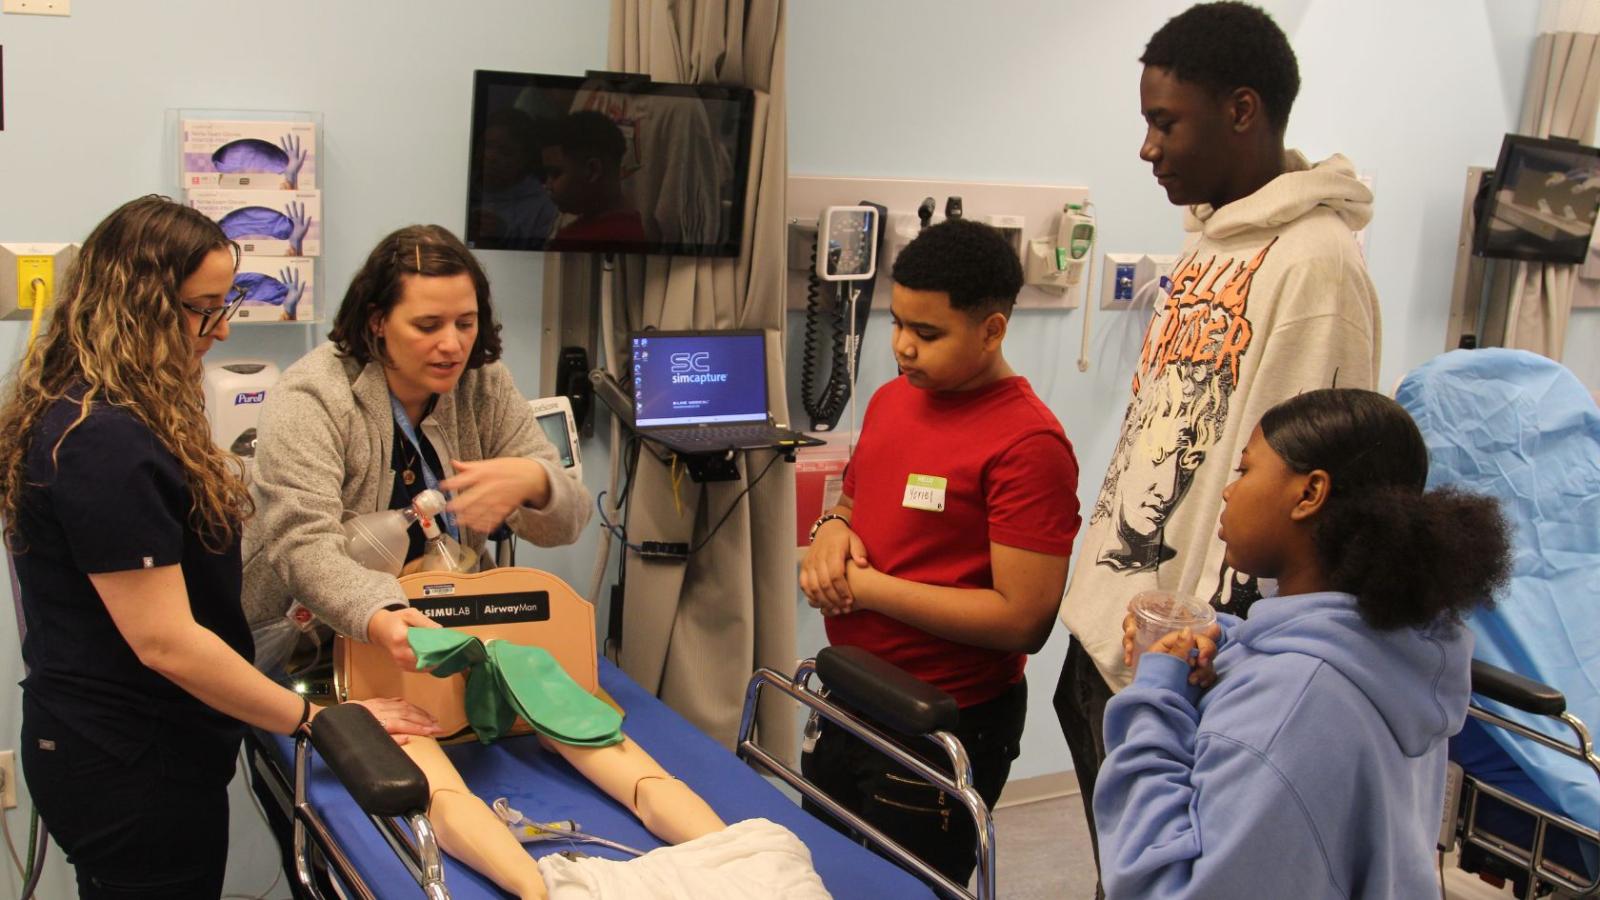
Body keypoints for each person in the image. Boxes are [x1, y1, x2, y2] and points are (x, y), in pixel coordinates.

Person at [0, 196, 435, 900]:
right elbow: (166, 643)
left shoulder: (107, 411)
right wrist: (316, 721)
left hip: (133, 747)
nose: (223, 328)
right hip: (127, 764)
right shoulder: (102, 441)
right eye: (205, 308)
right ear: (137, 305)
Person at [1053, 4, 1382, 891]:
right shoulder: (1209, 241)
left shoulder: (1316, 264)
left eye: (1166, 122)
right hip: (1110, 625)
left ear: (1243, 110)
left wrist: (1214, 653)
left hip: (1182, 660)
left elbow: (1298, 491)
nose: (1147, 148)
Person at [1093, 389, 1511, 899]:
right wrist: (1228, 644)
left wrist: (1156, 700)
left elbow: (1160, 889)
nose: (1229, 491)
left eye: (1246, 471)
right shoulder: (1396, 655)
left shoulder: (1291, 704)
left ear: (1310, 493)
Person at [799, 219, 1082, 884]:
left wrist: (865, 591)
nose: (902, 347)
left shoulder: (1028, 445)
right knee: (823, 877)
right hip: (851, 691)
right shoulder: (896, 400)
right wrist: (832, 531)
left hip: (940, 719)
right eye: (898, 322)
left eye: (927, 334)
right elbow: (854, 500)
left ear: (992, 330)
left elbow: (1022, 620)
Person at [243, 224, 592, 675]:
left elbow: (569, 521)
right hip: (313, 646)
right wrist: (386, 613)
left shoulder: (483, 385)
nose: (453, 345)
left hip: (440, 627)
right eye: (428, 326)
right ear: (378, 321)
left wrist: (538, 483)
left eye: (466, 323)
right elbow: (303, 547)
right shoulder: (312, 399)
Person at [541, 110, 648, 246]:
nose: (547, 185)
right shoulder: (625, 228)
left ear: (592, 170)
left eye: (555, 174)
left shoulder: (612, 237)